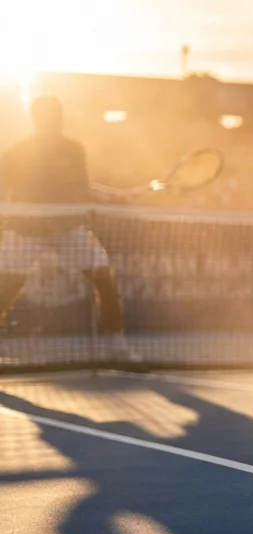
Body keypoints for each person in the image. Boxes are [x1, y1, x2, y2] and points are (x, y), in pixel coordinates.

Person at [0, 95, 136, 360]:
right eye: (49, 117)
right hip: (26, 232)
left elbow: (80, 189)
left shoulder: (73, 150)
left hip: (68, 230)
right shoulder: (17, 153)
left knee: (104, 279)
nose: (55, 122)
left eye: (57, 117)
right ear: (37, 119)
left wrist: (111, 195)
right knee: (6, 287)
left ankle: (117, 347)